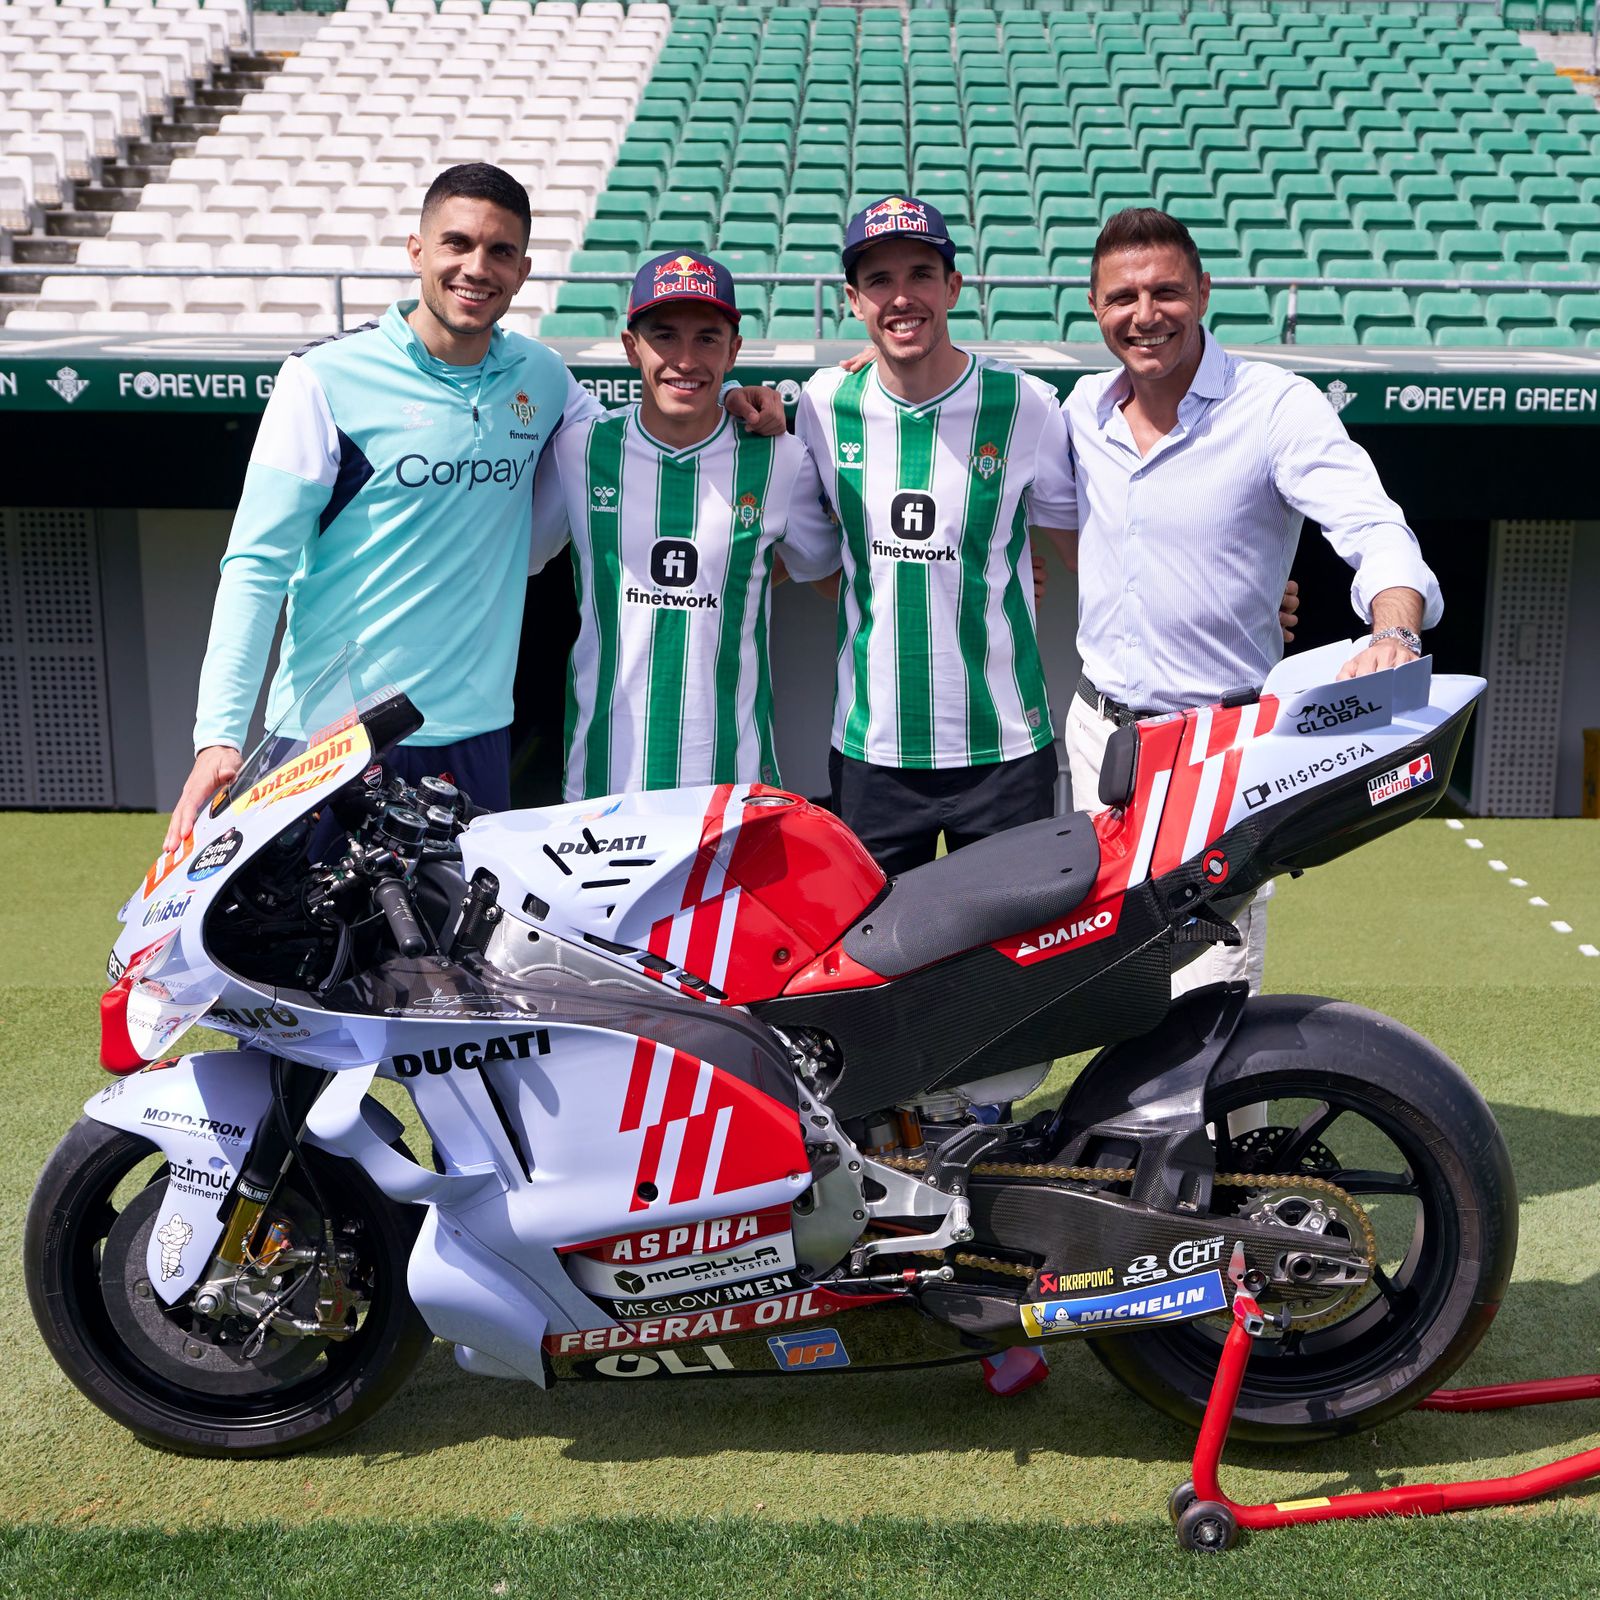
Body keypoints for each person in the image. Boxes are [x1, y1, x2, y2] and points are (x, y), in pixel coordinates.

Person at [162, 164, 785, 851]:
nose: (477, 267)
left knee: (466, 929)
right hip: (329, 741)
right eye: (457, 243)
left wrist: (738, 400)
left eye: (500, 251)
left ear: (522, 272)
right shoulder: (320, 379)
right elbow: (256, 565)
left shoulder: (542, 377)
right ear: (417, 251)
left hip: (475, 744)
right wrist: (219, 736)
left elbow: (651, 430)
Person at [1054, 207, 1443, 993]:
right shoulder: (1080, 411)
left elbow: (1376, 529)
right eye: (1123, 297)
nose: (1145, 314)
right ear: (1095, 308)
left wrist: (1394, 635)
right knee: (1106, 985)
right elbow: (1080, 533)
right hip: (1100, 737)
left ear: (1203, 291)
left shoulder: (1275, 405)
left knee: (1209, 992)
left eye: (1166, 291)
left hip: (1216, 743)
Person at [794, 196, 1077, 877]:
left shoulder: (1027, 405)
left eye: (921, 274)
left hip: (1006, 751)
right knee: (877, 944)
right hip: (873, 753)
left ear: (953, 287)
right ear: (854, 302)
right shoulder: (822, 404)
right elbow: (822, 561)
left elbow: (1096, 547)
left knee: (1018, 945)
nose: (901, 297)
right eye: (879, 281)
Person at [528, 251, 840, 800]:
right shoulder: (579, 450)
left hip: (733, 784)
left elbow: (823, 568)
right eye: (665, 336)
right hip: (602, 780)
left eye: (707, 339)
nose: (686, 359)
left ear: (734, 351)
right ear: (632, 347)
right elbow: (524, 557)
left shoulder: (781, 459)